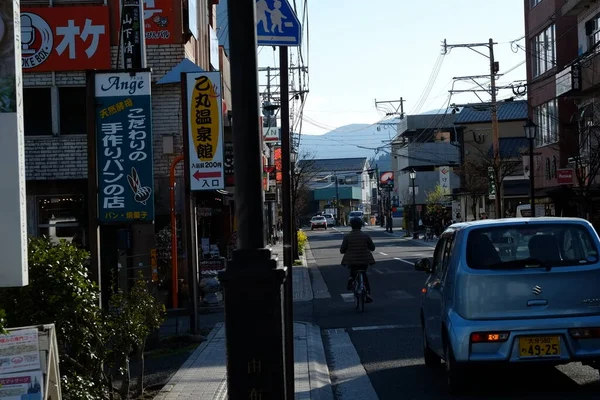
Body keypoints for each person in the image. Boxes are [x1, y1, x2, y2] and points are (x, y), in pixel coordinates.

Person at [340, 218, 376, 303]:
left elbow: (342, 250)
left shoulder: (347, 237)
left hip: (352, 260)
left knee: (353, 270)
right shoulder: (366, 236)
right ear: (361, 226)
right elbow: (373, 248)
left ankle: (351, 279)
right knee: (364, 274)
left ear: (351, 226)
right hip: (365, 260)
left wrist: (347, 250)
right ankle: (367, 293)